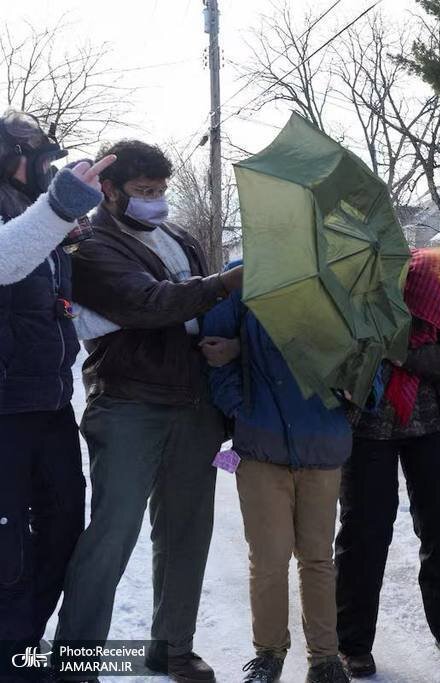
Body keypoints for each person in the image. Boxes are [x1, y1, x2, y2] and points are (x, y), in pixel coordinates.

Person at [56, 140, 243, 683]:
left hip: (195, 404)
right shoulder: (88, 244)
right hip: (129, 403)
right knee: (112, 534)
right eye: (143, 192)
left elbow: (210, 315)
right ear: (109, 191)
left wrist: (229, 350)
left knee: (188, 530)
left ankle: (174, 649)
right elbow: (147, 303)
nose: (156, 202)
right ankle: (78, 661)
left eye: (161, 191)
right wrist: (225, 281)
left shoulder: (181, 237)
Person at [200, 261, 350, 683]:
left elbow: (366, 356)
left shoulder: (336, 284)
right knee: (269, 559)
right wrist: (241, 410)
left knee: (318, 559)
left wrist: (361, 391)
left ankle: (324, 659)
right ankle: (269, 654)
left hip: (322, 445)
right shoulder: (240, 280)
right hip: (261, 449)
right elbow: (214, 352)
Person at [0, 109, 111, 675]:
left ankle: (23, 640)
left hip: (47, 404)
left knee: (65, 523)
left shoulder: (42, 223)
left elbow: (59, 315)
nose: (47, 168)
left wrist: (177, 307)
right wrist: (58, 209)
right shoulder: (32, 220)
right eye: (38, 157)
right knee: (8, 545)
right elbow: (2, 260)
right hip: (4, 413)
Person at [335, 249, 440, 677]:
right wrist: (428, 343)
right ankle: (352, 641)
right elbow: (338, 356)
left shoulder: (439, 275)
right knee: (363, 535)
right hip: (366, 429)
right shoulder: (349, 281)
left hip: (431, 425)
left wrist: (403, 353)